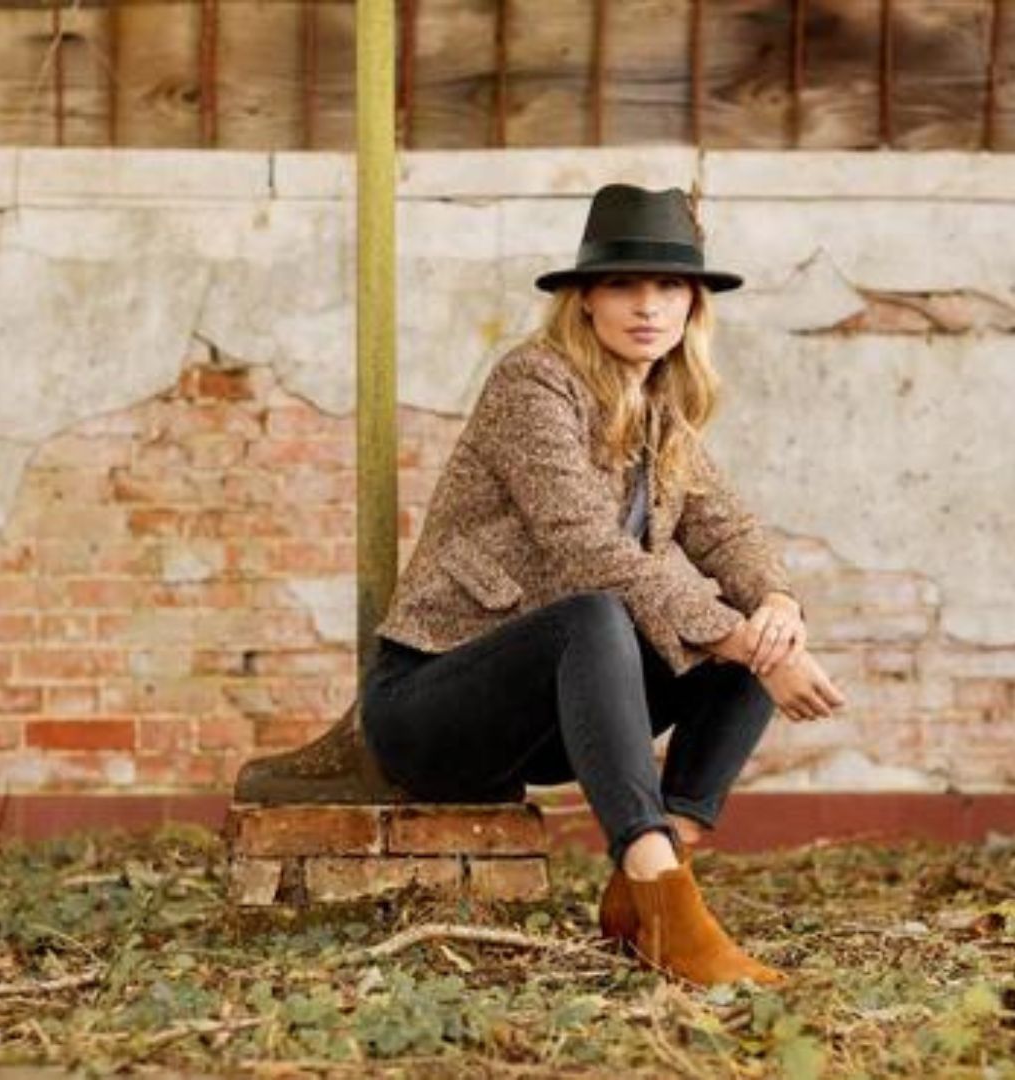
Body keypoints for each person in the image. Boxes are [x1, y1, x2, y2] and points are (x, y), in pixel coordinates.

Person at [235, 183, 846, 987]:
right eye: (623, 284)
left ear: (693, 306)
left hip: (555, 715)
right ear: (585, 299)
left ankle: (643, 895)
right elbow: (585, 548)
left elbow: (728, 530)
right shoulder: (534, 384)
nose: (647, 306)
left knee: (755, 635)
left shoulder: (659, 406)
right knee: (599, 613)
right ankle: (661, 886)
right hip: (433, 708)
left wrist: (776, 610)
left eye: (668, 287)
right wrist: (743, 638)